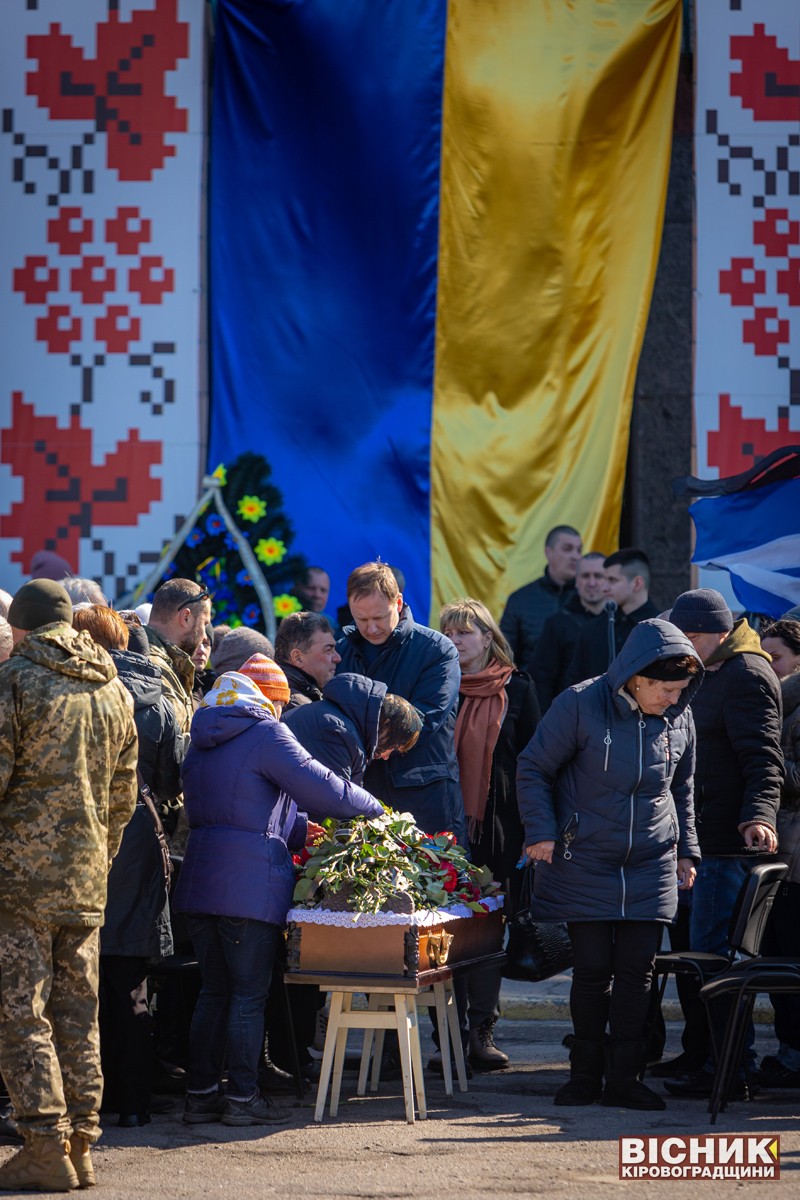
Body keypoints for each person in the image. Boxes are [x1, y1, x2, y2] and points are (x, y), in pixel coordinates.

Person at [173, 656, 383, 1128]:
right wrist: (377, 809)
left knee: (213, 992)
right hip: (248, 886)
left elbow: (250, 806)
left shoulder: (203, 735)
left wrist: (297, 831)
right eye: (281, 706)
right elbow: (323, 785)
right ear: (271, 701)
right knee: (249, 996)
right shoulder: (265, 732)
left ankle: (201, 1095)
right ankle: (244, 1100)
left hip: (201, 880)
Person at [517, 619, 703, 1111]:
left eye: (681, 690)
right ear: (637, 677)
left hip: (651, 861)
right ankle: (584, 1076)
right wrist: (540, 830)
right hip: (585, 858)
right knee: (594, 970)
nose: (673, 699)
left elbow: (681, 788)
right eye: (666, 689)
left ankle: (625, 1078)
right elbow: (533, 766)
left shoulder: (680, 715)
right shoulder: (579, 703)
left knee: (637, 971)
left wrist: (688, 850)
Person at [0, 580, 138, 1191]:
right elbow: (124, 794)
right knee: (79, 1013)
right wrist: (97, 857)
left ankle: (42, 1143)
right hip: (86, 877)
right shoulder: (112, 688)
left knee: (22, 1012)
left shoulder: (14, 682)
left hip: (18, 882)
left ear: (22, 629)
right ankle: (82, 1144)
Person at [658, 589, 783, 1099]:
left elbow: (763, 760)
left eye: (695, 636)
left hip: (724, 846)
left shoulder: (747, 674)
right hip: (693, 841)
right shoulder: (705, 668)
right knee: (694, 958)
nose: (688, 645)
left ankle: (731, 1068)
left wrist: (757, 816)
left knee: (714, 961)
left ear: (723, 630)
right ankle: (705, 1055)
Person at [72, 605, 182, 1128]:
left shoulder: (75, 693)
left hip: (81, 833)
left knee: (80, 982)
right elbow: (169, 784)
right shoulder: (157, 701)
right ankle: (135, 1104)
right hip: (138, 833)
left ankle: (89, 1100)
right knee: (130, 980)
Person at [440, 599, 540, 1072]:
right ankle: (448, 1037)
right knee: (444, 936)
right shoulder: (438, 686)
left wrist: (536, 830)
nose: (458, 641)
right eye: (451, 633)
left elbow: (537, 765)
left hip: (500, 832)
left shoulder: (518, 689)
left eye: (466, 632)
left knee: (485, 935)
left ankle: (481, 1031)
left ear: (487, 637)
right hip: (444, 831)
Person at [336, 561, 465, 843]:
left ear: (399, 602)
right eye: (361, 619)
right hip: (363, 794)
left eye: (379, 618)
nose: (370, 629)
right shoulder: (341, 650)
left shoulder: (437, 649)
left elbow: (427, 717)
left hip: (424, 796)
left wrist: (376, 743)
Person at [756, 619, 800, 1087]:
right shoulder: (775, 705)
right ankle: (788, 1054)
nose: (769, 667)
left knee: (790, 961)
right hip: (778, 859)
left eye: (778, 659)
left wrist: (764, 759)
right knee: (775, 961)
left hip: (795, 861)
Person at [284, 676, 422, 784]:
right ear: (386, 725)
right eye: (394, 747)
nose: (386, 757)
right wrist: (372, 810)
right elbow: (333, 799)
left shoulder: (346, 725)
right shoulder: (341, 734)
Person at [567, 548, 659, 685]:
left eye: (612, 580)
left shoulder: (662, 629)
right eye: (604, 579)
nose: (604, 587)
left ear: (637, 583)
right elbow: (575, 685)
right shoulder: (592, 630)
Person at [500, 525, 582, 676]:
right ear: (548, 552)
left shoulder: (589, 599)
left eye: (579, 550)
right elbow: (505, 656)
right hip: (532, 691)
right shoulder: (521, 600)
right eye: (567, 549)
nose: (575, 556)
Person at [532, 552, 607, 711]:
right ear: (577, 581)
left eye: (598, 576)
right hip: (568, 719)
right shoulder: (557, 624)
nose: (592, 582)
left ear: (609, 581)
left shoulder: (620, 624)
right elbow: (542, 680)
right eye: (585, 576)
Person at [275, 611, 341, 710]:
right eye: (328, 650)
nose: (337, 658)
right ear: (298, 658)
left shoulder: (297, 700)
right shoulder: (296, 707)